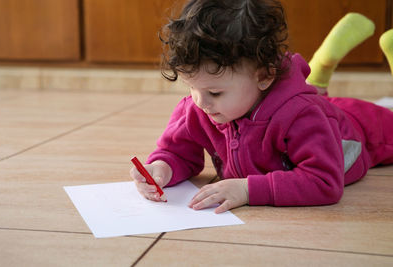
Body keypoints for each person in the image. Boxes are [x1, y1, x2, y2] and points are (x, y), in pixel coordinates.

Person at [130, 0, 393, 213]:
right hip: (312, 107)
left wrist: (248, 190)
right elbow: (178, 152)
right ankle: (320, 71)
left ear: (265, 76)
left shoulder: (303, 116)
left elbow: (324, 182)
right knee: (316, 99)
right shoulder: (200, 107)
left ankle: (323, 70)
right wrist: (162, 168)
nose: (200, 102)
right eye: (191, 87)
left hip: (360, 128)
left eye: (214, 92)